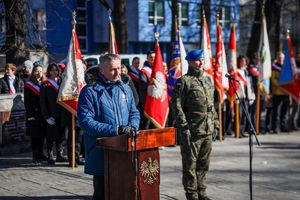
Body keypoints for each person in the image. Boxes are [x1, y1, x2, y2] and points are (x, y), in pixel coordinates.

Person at [77, 54, 140, 200]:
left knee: (124, 192)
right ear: (102, 70)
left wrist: (133, 128)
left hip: (125, 150)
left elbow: (134, 112)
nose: (118, 73)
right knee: (102, 193)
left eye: (119, 68)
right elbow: (86, 122)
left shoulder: (125, 88)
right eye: (113, 69)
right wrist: (116, 130)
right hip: (101, 153)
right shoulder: (89, 91)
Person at [171, 49, 219, 200]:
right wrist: (183, 127)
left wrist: (215, 124)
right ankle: (191, 194)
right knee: (190, 165)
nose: (201, 63)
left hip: (207, 129)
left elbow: (211, 105)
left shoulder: (208, 79)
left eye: (202, 60)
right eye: (198, 60)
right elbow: (176, 105)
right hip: (192, 130)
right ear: (190, 62)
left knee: (204, 164)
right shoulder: (184, 81)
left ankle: (202, 192)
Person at [40, 63, 68, 165]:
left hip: (61, 114)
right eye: (52, 70)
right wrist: (47, 117)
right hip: (51, 115)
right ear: (48, 71)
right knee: (50, 136)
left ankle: (60, 155)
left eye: (56, 70)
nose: (54, 72)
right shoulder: (45, 84)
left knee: (61, 136)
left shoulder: (61, 82)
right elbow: (42, 102)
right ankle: (50, 155)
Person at [24, 63, 48, 164]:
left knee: (42, 136)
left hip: (43, 114)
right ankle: (35, 156)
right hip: (34, 114)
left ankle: (41, 154)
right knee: (35, 136)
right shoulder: (29, 84)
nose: (38, 73)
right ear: (33, 72)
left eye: (40, 71)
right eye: (36, 71)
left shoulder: (45, 84)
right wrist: (30, 115)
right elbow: (27, 102)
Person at [270, 51, 289, 133]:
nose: (281, 59)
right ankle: (275, 127)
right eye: (279, 57)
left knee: (284, 112)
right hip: (277, 92)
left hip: (286, 92)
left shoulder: (286, 68)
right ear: (277, 58)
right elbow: (273, 79)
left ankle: (283, 126)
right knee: (276, 112)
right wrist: (281, 84)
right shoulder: (274, 67)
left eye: (282, 58)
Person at [138, 50, 155, 129]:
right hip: (147, 102)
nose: (153, 59)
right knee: (147, 125)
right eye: (150, 57)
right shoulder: (144, 71)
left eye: (154, 57)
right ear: (147, 59)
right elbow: (143, 86)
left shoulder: (159, 69)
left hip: (157, 101)